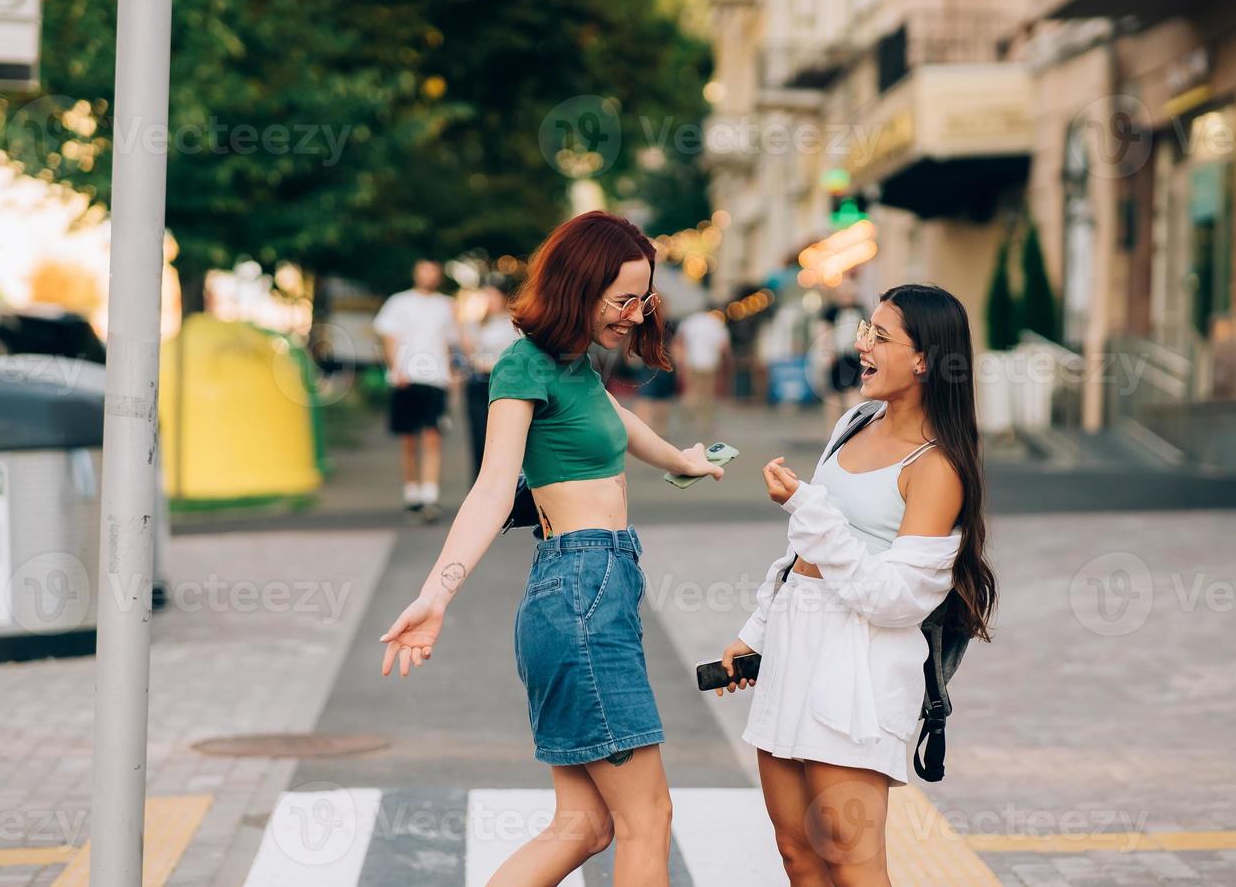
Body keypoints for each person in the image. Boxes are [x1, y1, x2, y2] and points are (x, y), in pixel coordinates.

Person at [379, 211, 725, 887]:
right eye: (623, 299)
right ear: (578, 285)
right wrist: (437, 592)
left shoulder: (573, 366)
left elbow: (614, 422)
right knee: (645, 818)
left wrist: (679, 462)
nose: (634, 314)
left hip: (590, 592)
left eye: (643, 300)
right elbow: (489, 489)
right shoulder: (523, 364)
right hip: (581, 595)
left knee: (585, 825)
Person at [717, 284, 997, 887]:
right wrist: (755, 632)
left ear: (924, 359)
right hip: (795, 645)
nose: (860, 344)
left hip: (860, 668)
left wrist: (806, 509)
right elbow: (799, 559)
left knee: (850, 855)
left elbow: (897, 600)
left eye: (880, 336)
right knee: (797, 851)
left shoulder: (937, 466)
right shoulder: (853, 422)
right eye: (865, 330)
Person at [373, 259, 459, 523]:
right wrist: (395, 368)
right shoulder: (399, 302)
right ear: (416, 273)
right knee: (409, 440)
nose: (428, 276)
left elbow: (449, 342)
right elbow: (388, 337)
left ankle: (430, 496)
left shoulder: (446, 305)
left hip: (435, 379)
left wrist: (452, 376)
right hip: (407, 377)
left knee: (433, 437)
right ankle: (412, 495)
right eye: (424, 270)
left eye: (432, 271)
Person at [460, 277, 521, 478]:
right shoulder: (478, 324)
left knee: (505, 437)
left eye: (493, 295)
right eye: (487, 295)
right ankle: (479, 482)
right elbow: (469, 354)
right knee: (480, 436)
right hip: (479, 382)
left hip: (505, 383)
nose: (490, 300)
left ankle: (507, 483)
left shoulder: (515, 323)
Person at [819, 281, 868, 432]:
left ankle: (853, 428)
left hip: (852, 356)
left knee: (852, 392)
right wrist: (827, 352)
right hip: (836, 356)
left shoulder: (860, 309)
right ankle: (832, 429)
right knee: (833, 395)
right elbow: (824, 333)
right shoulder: (831, 311)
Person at [673, 307, 730, 435]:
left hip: (692, 362)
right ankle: (705, 423)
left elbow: (680, 342)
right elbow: (723, 347)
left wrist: (681, 363)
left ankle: (686, 414)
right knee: (707, 394)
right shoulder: (716, 323)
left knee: (692, 390)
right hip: (709, 364)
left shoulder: (690, 321)